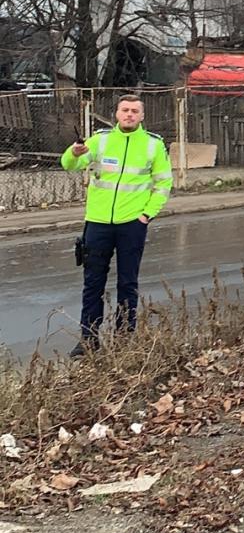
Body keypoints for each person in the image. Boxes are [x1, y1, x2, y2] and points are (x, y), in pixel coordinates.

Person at [61, 96, 173, 352]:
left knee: (127, 283)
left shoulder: (153, 145)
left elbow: (164, 183)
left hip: (131, 225)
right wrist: (73, 153)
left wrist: (146, 215)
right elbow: (69, 165)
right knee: (93, 284)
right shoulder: (100, 140)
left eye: (134, 111)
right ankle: (89, 339)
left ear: (142, 116)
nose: (129, 114)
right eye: (125, 110)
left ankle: (124, 340)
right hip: (97, 223)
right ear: (117, 114)